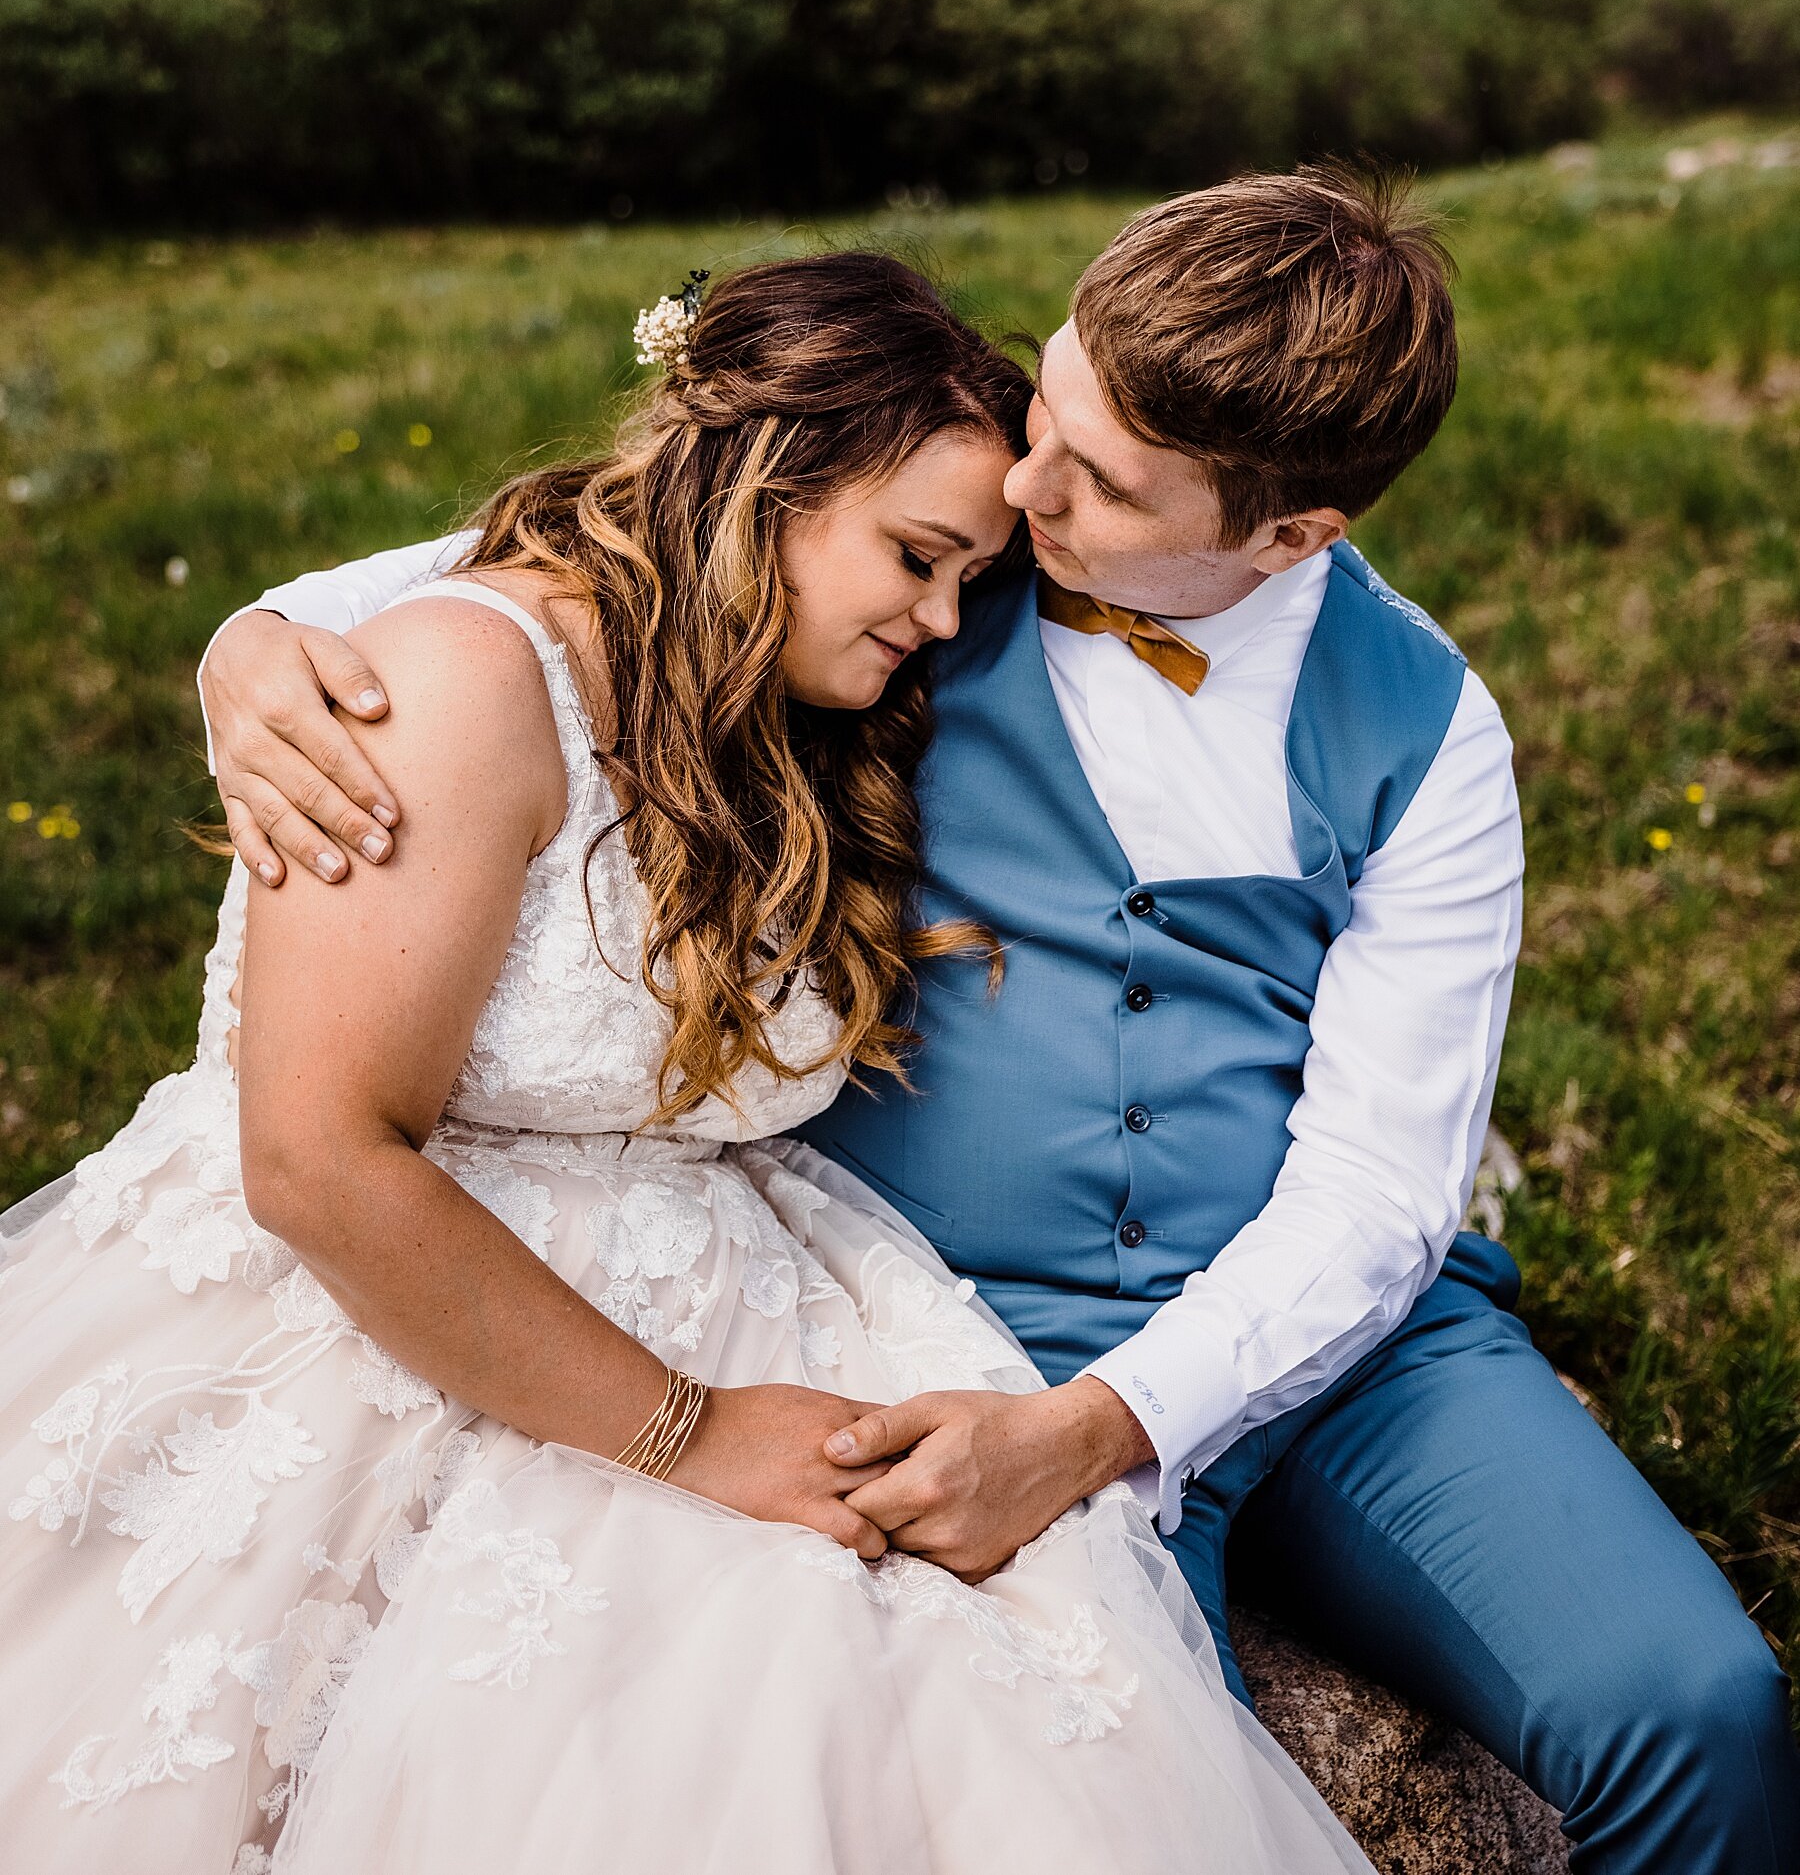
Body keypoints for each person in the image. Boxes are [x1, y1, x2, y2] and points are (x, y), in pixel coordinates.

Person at [201, 170, 1800, 1873]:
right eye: (1053, 399)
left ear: (1288, 537)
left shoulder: (1433, 726)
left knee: (1701, 1711)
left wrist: (1099, 1429)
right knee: (1064, 1795)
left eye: (1101, 480)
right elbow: (570, 569)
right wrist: (257, 640)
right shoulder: (919, 556)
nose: (1029, 478)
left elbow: (1375, 1194)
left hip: (1343, 1356)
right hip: (948, 1317)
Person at [0, 252, 1366, 1875]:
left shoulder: (775, 685)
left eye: (964, 577)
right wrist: (697, 1431)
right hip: (362, 1307)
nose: (942, 621)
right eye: (920, 560)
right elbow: (316, 1162)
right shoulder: (453, 684)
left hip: (726, 1267)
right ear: (764, 485)